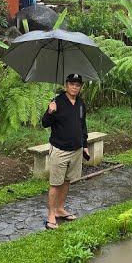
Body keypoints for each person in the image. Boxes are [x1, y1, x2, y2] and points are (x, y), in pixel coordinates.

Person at [41, 72, 89, 229]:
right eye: (72, 84)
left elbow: (82, 125)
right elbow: (45, 123)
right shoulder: (57, 102)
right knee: (55, 183)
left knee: (67, 181)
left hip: (76, 150)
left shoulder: (80, 103)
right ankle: (51, 215)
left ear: (80, 87)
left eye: (77, 85)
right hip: (60, 149)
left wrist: (85, 145)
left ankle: (60, 209)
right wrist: (50, 111)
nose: (74, 87)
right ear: (66, 85)